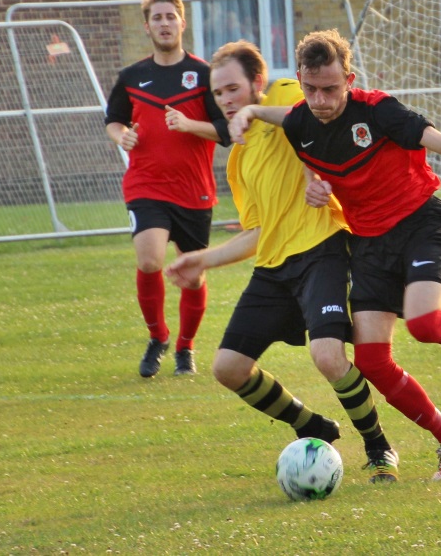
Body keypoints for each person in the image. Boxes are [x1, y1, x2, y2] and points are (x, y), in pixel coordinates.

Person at [230, 29, 441, 481]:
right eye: (311, 89)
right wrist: (261, 123)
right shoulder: (300, 121)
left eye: (330, 89)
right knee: (372, 362)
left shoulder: (379, 110)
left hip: (419, 223)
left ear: (349, 79)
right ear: (300, 80)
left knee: (424, 324)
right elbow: (287, 122)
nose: (320, 100)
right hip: (367, 243)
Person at [165, 41, 398, 482]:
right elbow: (257, 233)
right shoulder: (238, 159)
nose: (226, 100)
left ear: (258, 82)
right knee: (228, 368)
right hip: (274, 269)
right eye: (218, 93)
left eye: (233, 89)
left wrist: (316, 175)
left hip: (322, 249)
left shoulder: (287, 93)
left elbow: (317, 116)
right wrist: (202, 260)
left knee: (328, 357)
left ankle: (378, 446)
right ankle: (311, 426)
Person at [104, 0, 229, 378]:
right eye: (156, 18)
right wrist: (121, 136)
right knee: (149, 260)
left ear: (182, 23)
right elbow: (113, 120)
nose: (164, 23)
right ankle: (157, 337)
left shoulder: (204, 75)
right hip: (146, 185)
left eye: (170, 16)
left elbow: (225, 130)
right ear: (147, 26)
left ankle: (185, 348)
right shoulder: (131, 77)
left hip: (194, 190)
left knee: (192, 276)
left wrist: (189, 125)